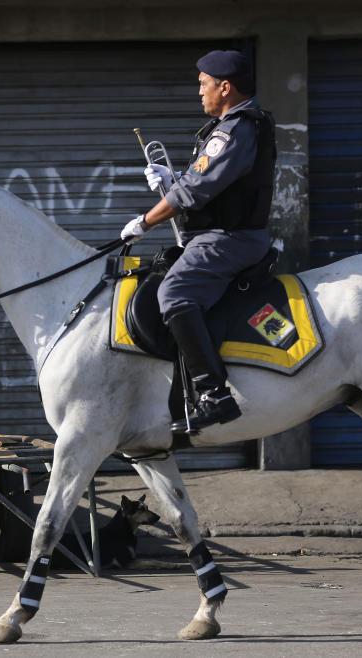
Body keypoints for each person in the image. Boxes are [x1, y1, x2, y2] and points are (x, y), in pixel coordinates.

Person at [119, 49, 277, 433]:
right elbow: (206, 186)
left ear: (225, 87)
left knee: (173, 294)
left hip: (229, 239)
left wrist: (146, 221)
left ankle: (214, 394)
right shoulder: (229, 126)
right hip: (218, 233)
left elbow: (194, 193)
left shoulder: (236, 128)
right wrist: (170, 182)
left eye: (204, 84)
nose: (199, 92)